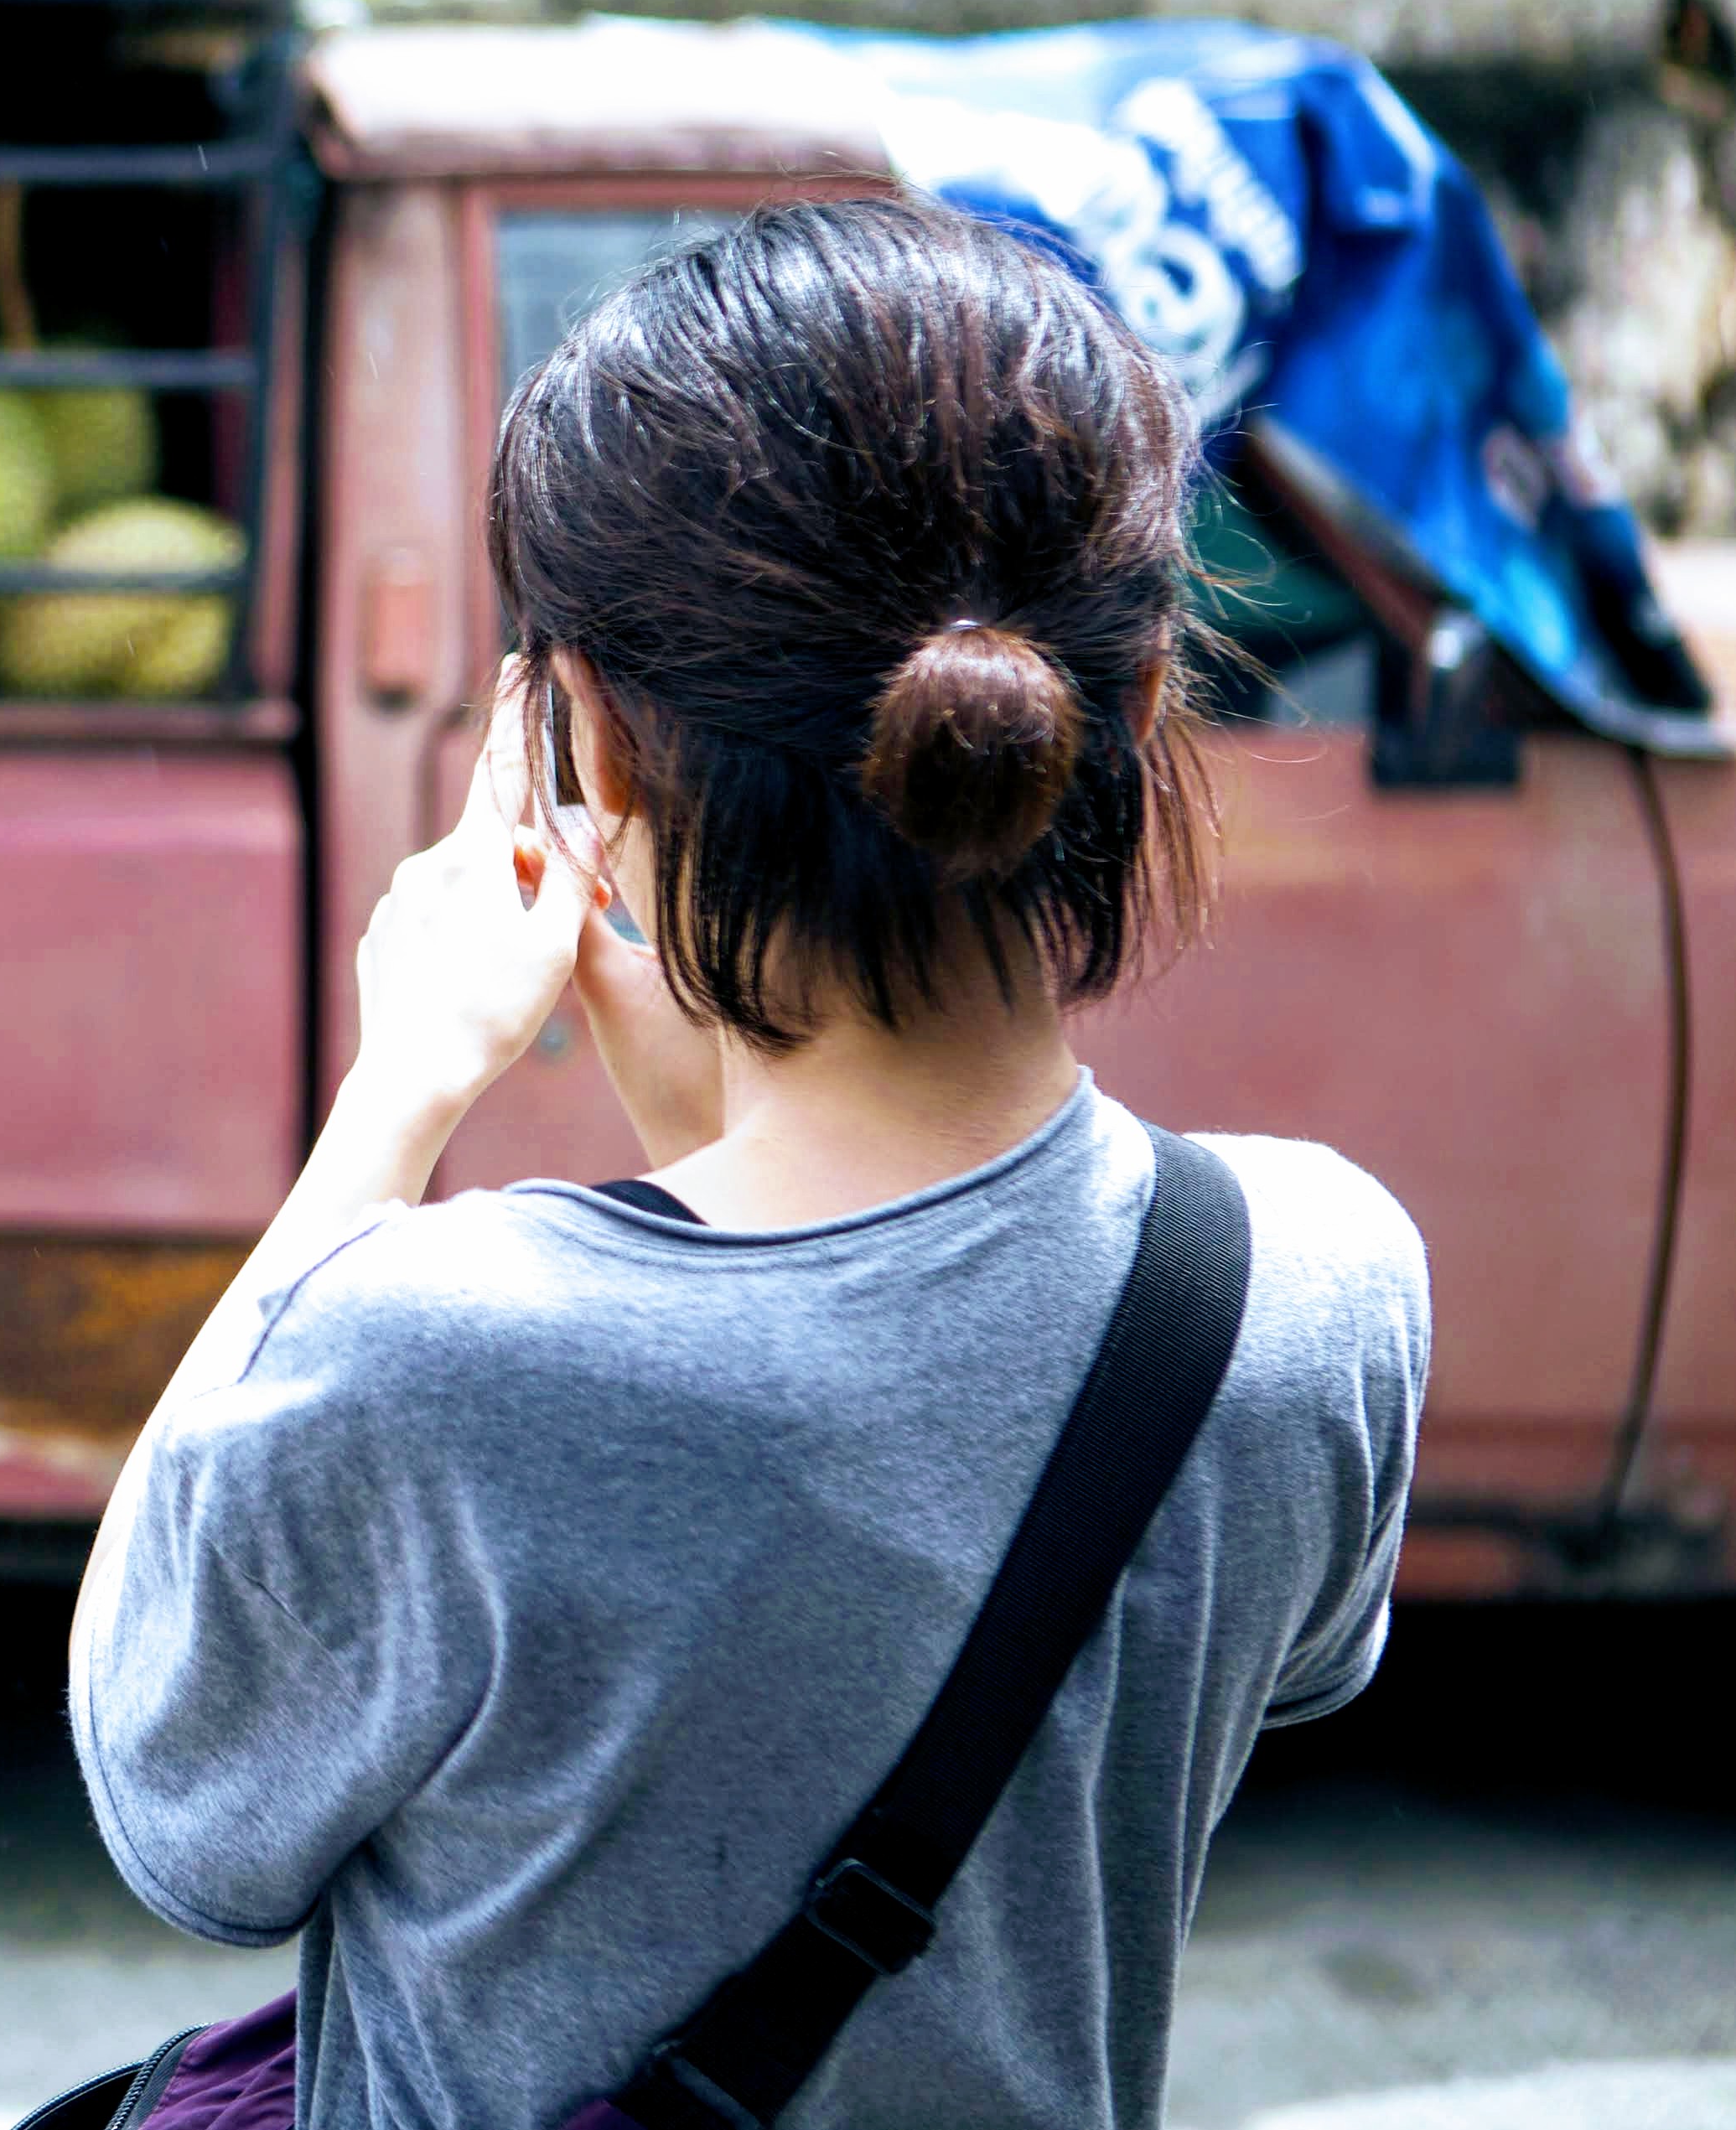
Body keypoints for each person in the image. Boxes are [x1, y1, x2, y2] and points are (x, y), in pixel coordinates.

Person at [69, 197, 1432, 2130]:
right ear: (1135, 706)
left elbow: (173, 1801)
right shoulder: (1314, 1281)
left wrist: (398, 1095)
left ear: (592, 754)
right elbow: (911, 1448)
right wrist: (703, 1089)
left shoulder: (431, 1348)